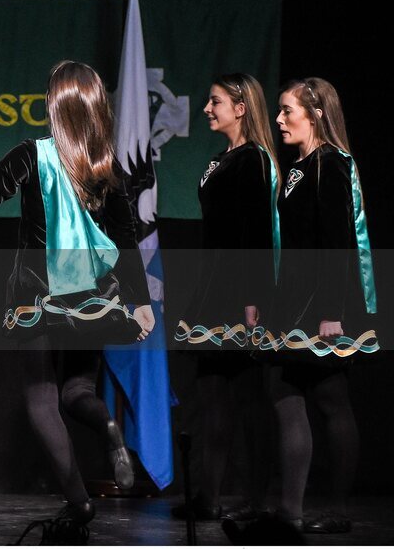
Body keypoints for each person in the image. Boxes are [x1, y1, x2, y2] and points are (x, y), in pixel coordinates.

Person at [0, 61, 155, 538]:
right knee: (78, 391)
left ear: (54, 105)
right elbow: (126, 237)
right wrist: (140, 301)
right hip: (95, 297)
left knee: (40, 399)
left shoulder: (33, 154)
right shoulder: (107, 165)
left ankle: (79, 502)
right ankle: (107, 427)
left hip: (38, 297)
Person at [260, 77, 377, 533]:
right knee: (294, 392)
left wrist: (332, 311)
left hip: (321, 305)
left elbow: (338, 242)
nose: (279, 119)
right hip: (294, 302)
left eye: (287, 110)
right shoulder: (301, 166)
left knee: (327, 398)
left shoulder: (331, 163)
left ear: (316, 115)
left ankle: (333, 510)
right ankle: (291, 509)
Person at [171, 73, 278, 521]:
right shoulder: (220, 160)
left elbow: (256, 233)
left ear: (240, 107)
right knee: (211, 392)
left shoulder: (254, 159)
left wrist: (252, 299)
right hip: (212, 287)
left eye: (214, 101)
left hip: (238, 291)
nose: (206, 109)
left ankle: (260, 499)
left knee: (248, 396)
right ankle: (209, 497)